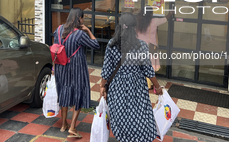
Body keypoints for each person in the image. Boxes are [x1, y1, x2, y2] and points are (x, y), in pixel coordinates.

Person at [100, 12, 163, 142]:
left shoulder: (111, 44)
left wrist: (102, 86)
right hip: (137, 87)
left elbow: (106, 70)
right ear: (134, 28)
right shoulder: (141, 46)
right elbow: (148, 70)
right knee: (139, 117)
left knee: (121, 117)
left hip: (117, 87)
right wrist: (157, 87)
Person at [53, 8, 99, 139]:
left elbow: (55, 47)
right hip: (76, 68)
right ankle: (72, 127)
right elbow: (95, 45)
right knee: (78, 93)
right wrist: (88, 30)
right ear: (79, 18)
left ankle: (63, 124)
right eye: (83, 18)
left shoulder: (59, 29)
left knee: (64, 91)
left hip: (61, 67)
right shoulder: (79, 34)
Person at [136, 8, 172, 89]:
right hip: (150, 47)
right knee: (149, 66)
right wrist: (170, 12)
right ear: (151, 14)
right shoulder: (154, 21)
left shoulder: (138, 22)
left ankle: (141, 82)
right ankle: (148, 84)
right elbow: (166, 18)